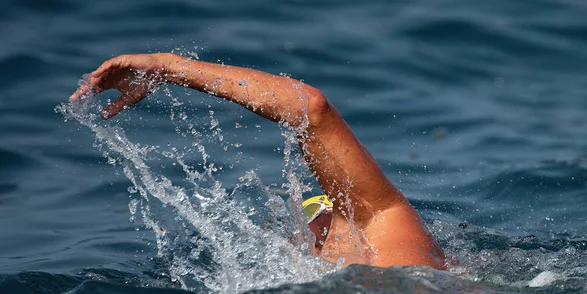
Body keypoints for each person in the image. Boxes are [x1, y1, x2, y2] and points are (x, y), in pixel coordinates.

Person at [70, 53, 445, 270]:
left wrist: (168, 67)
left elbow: (309, 108)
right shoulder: (394, 245)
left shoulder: (378, 221)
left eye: (327, 214)